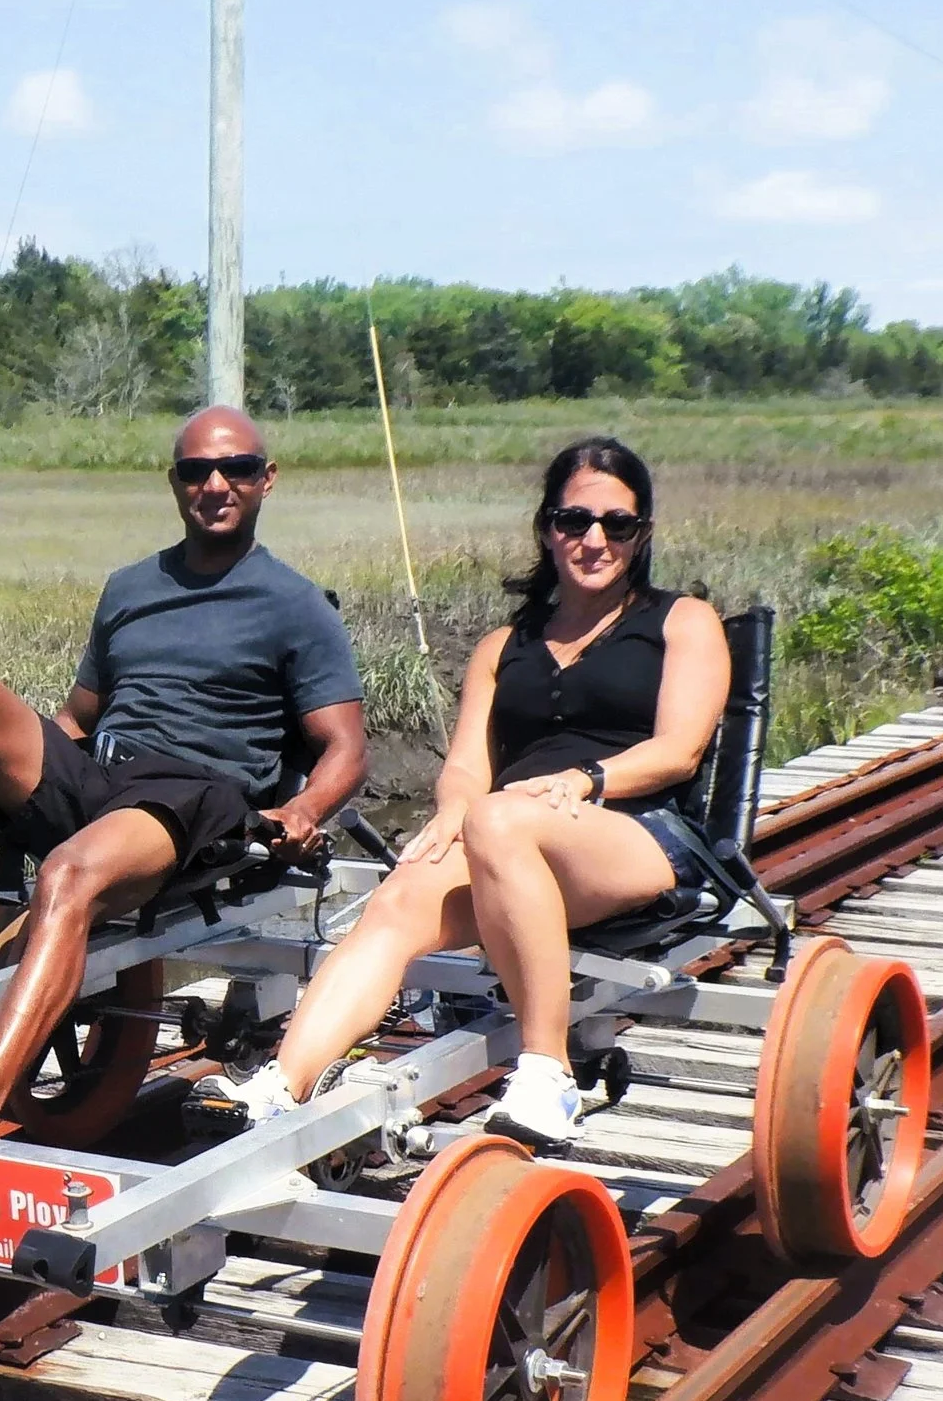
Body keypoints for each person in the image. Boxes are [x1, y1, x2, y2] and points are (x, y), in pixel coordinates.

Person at [191, 436, 730, 1151]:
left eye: (616, 524)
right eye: (574, 521)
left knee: (500, 820)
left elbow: (679, 749)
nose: (593, 539)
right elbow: (468, 768)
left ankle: (548, 1073)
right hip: (512, 837)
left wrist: (584, 779)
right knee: (401, 894)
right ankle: (278, 1086)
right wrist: (451, 813)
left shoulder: (681, 621)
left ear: (642, 534)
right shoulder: (503, 645)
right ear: (547, 527)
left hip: (638, 829)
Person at [0, 405, 370, 1137]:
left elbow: (345, 744)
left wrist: (305, 810)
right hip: (105, 779)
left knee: (66, 875)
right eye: (196, 471)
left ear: (265, 480)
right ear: (175, 483)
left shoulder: (295, 604)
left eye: (236, 469)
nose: (215, 484)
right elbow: (76, 719)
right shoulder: (130, 587)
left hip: (193, 794)